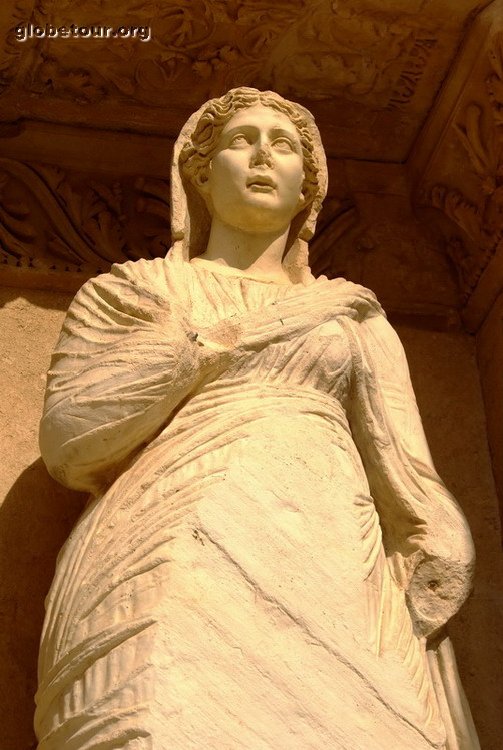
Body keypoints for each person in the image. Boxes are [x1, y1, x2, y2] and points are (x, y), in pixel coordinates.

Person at [35, 87, 479, 749]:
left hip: (332, 557)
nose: (263, 157)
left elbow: (402, 463)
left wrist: (437, 548)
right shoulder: (137, 289)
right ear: (200, 172)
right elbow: (70, 438)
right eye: (242, 141)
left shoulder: (348, 313)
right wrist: (214, 347)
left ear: (308, 188)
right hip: (162, 541)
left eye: (286, 146)